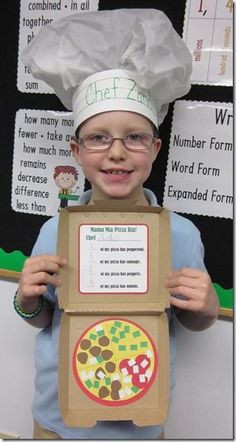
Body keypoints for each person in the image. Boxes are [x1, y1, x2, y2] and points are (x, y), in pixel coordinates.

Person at [15, 9, 219, 439]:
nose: (117, 152)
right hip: (56, 419)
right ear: (76, 150)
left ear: (155, 148)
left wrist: (207, 309)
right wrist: (27, 299)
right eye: (98, 137)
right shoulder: (55, 230)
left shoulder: (180, 234)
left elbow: (192, 321)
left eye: (135, 137)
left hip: (141, 422)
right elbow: (41, 316)